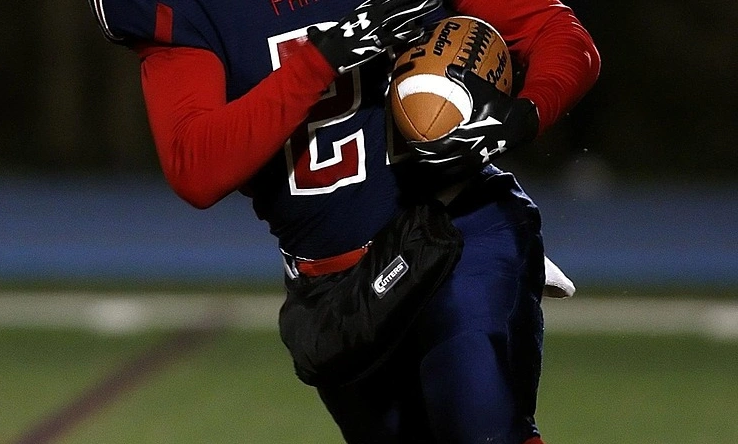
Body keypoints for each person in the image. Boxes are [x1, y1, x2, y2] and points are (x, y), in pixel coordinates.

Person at [88, 0, 599, 442]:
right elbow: (196, 169)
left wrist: (524, 115)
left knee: (485, 429)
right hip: (336, 285)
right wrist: (323, 58)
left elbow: (558, 32)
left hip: (455, 228)